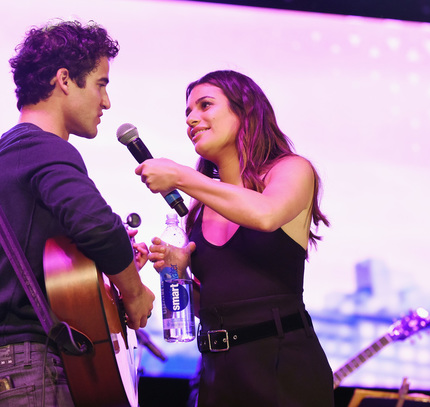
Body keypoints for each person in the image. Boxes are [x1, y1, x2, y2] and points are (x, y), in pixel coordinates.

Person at [0, 20, 154, 407]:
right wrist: (134, 291)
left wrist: (94, 267)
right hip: (25, 373)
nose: (107, 102)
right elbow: (97, 226)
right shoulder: (46, 148)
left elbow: (22, 270)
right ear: (64, 80)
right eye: (101, 84)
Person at [136, 70, 334, 406]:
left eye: (205, 105)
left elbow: (266, 214)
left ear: (244, 111)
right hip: (217, 374)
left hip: (283, 366)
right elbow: (213, 306)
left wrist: (181, 176)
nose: (192, 119)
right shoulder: (199, 207)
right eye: (187, 113)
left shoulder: (289, 170)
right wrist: (178, 273)